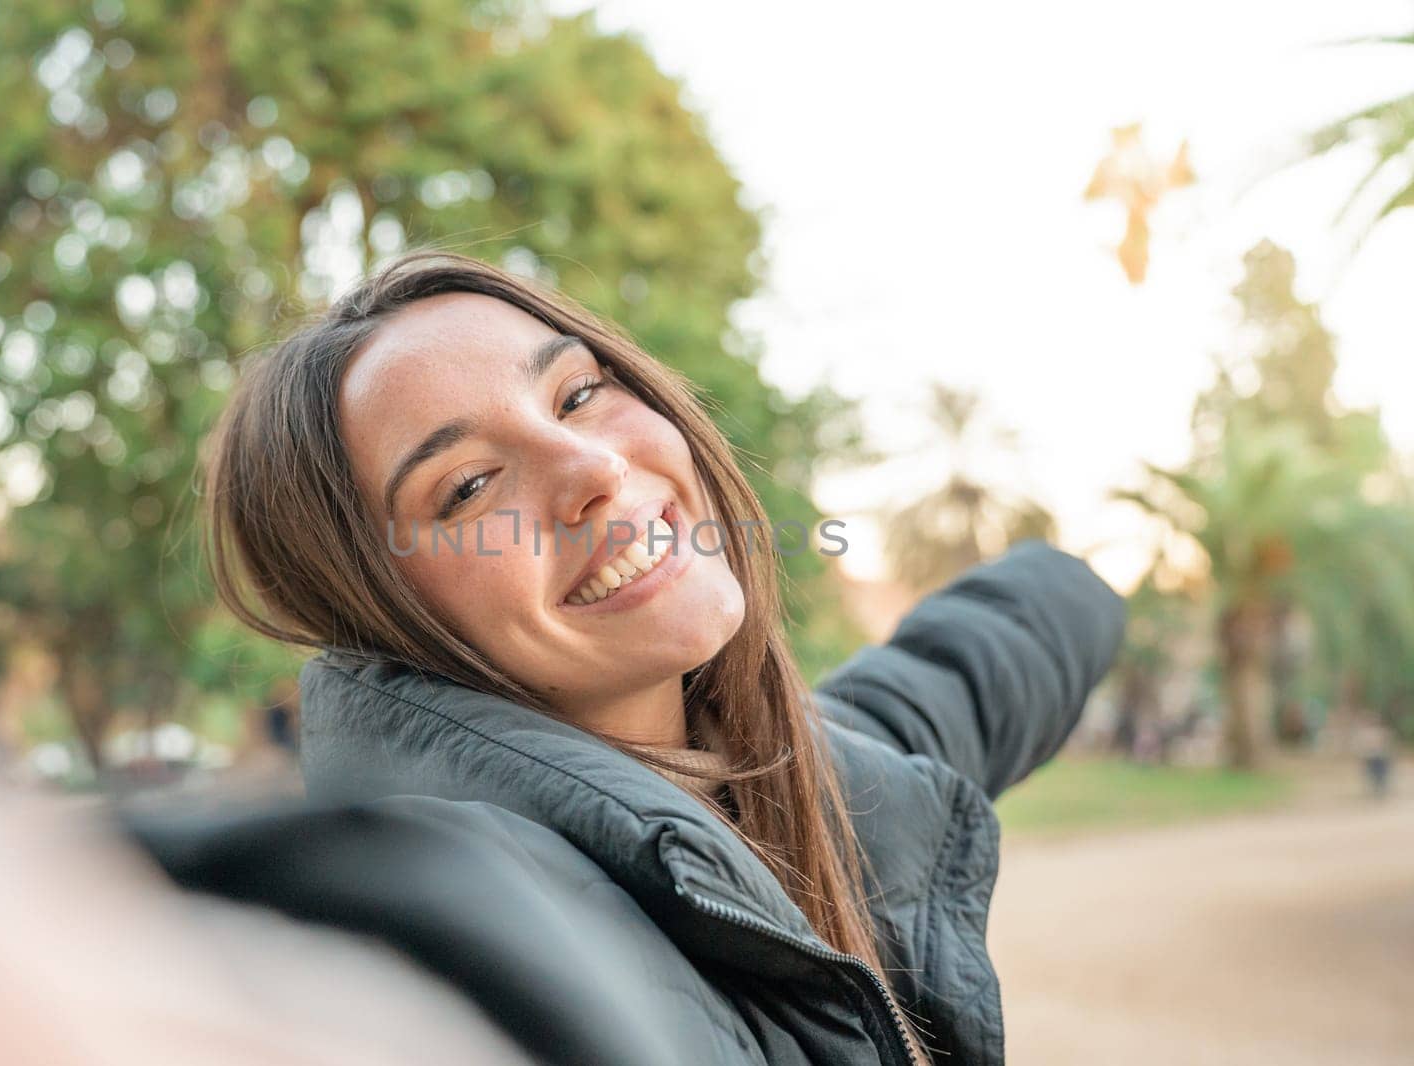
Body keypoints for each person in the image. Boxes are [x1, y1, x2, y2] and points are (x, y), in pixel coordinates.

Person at [202, 250, 1127, 1065]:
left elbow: (984, 658)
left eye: (577, 394)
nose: (595, 469)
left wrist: (1093, 568)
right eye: (470, 486)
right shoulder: (482, 930)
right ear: (380, 615)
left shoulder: (804, 771)